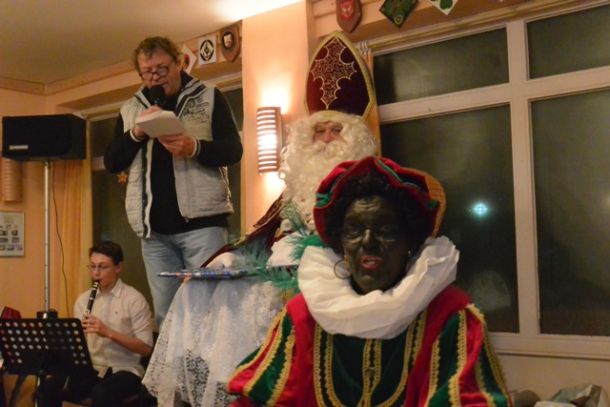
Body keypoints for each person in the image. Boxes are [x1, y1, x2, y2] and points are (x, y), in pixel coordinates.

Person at [228, 156, 512, 406]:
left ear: (410, 241)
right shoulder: (303, 316)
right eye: (354, 230)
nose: (368, 242)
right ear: (340, 242)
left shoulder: (449, 316)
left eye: (385, 229)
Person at [142, 110, 378, 406]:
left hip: (329, 272)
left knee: (255, 296)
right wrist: (227, 258)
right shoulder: (294, 192)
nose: (327, 139)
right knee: (196, 289)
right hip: (275, 270)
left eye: (336, 130)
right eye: (319, 131)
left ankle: (253, 380)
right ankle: (226, 381)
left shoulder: (366, 186)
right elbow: (261, 235)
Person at [104, 36, 242, 328]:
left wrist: (195, 148)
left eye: (162, 69)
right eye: (147, 72)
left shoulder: (209, 97)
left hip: (203, 227)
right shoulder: (130, 109)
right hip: (153, 232)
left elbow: (233, 150)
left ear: (180, 62)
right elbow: (112, 162)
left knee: (210, 311)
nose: (155, 77)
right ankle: (173, 361)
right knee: (166, 317)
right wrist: (137, 133)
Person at [39, 241, 153, 407]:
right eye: (92, 266)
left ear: (118, 267)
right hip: (92, 368)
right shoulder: (83, 300)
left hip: (125, 369)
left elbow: (146, 348)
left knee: (102, 393)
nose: (96, 273)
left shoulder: (134, 299)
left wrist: (108, 332)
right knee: (49, 387)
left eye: (102, 267)